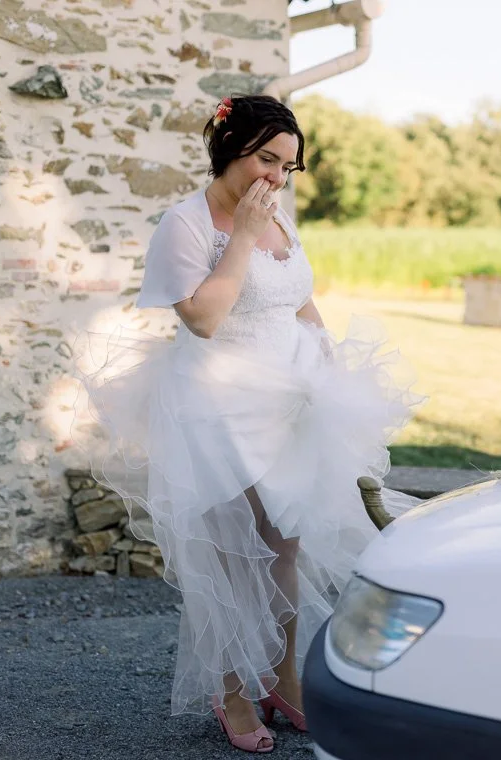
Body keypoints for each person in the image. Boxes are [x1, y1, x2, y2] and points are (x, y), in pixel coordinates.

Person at [71, 94, 424, 753]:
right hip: (219, 404)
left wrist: (329, 363)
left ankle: (283, 679)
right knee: (234, 554)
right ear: (230, 148)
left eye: (289, 166)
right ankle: (232, 690)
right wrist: (240, 235)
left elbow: (298, 299)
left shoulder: (278, 215)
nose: (277, 178)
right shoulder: (185, 224)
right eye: (267, 160)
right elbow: (203, 319)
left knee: (286, 546)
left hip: (288, 401)